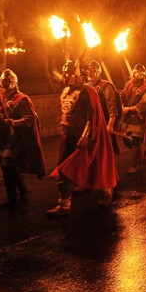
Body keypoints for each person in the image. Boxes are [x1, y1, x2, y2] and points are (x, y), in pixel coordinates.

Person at [46, 61, 118, 216]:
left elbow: (91, 117)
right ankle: (64, 205)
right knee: (64, 169)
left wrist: (85, 136)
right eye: (64, 73)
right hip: (67, 136)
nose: (65, 76)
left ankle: (105, 190)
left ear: (78, 75)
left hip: (83, 138)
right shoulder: (65, 91)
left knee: (93, 167)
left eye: (68, 73)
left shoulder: (87, 92)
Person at [0, 68, 45, 209]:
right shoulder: (1, 96)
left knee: (7, 165)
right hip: (4, 138)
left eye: (4, 84)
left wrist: (14, 122)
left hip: (17, 138)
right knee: (9, 167)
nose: (2, 86)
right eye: (1, 83)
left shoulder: (22, 99)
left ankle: (13, 198)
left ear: (12, 84)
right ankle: (23, 188)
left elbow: (29, 119)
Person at [120, 64, 146, 175]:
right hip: (127, 119)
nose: (138, 76)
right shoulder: (128, 84)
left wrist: (130, 109)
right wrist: (119, 98)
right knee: (126, 140)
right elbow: (124, 96)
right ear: (133, 73)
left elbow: (145, 103)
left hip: (138, 119)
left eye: (141, 74)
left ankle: (134, 166)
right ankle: (142, 151)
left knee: (135, 141)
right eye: (137, 73)